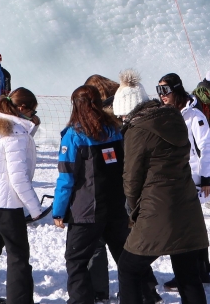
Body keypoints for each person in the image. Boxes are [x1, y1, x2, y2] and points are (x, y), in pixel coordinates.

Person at [113, 70, 209, 304]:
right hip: (186, 205)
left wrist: (134, 210)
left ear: (128, 109)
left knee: (128, 267)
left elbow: (132, 178)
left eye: (122, 115)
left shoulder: (137, 130)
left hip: (157, 209)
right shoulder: (174, 117)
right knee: (188, 274)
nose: (122, 119)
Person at [52, 85, 129, 304]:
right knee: (125, 257)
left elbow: (66, 178)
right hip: (116, 206)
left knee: (76, 260)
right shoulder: (114, 129)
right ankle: (140, 295)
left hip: (87, 210)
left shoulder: (73, 135)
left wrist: (58, 211)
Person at [0, 88, 43, 304]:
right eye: (32, 111)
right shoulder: (14, 133)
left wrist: (32, 125)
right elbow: (18, 179)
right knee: (18, 254)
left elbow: (15, 141)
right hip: (5, 200)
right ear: (21, 109)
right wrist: (35, 209)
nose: (33, 115)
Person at [157, 73, 210, 289]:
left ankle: (193, 273)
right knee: (192, 226)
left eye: (166, 90)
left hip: (193, 179)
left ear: (177, 89)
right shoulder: (170, 114)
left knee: (185, 228)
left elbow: (207, 146)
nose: (162, 95)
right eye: (159, 90)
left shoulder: (193, 115)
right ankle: (201, 270)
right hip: (178, 179)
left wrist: (206, 177)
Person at [83, 74, 121, 302]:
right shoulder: (123, 109)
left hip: (98, 192)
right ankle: (145, 288)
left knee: (96, 243)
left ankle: (98, 291)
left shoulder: (98, 123)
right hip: (119, 188)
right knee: (123, 243)